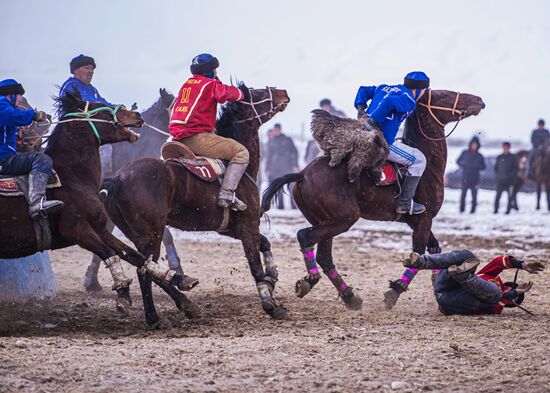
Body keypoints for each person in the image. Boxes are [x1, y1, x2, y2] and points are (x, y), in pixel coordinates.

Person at [169, 53, 247, 210]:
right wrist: (242, 93)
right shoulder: (210, 84)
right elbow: (226, 94)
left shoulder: (187, 84)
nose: (216, 72)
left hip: (176, 138)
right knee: (241, 152)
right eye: (215, 69)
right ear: (209, 71)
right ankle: (226, 194)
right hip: (196, 138)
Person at [354, 71, 429, 215]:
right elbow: (389, 102)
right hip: (382, 143)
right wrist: (373, 120)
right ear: (418, 89)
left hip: (361, 135)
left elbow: (363, 89)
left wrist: (361, 107)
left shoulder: (384, 87)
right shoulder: (409, 99)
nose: (423, 95)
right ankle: (405, 203)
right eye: (424, 91)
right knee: (419, 159)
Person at [402, 249, 544, 315]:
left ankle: (461, 275)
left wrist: (511, 295)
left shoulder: (497, 307)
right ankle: (423, 262)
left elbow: (497, 302)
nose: (512, 293)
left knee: (494, 294)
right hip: (446, 285)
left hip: (449, 301)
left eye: (514, 296)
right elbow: (499, 262)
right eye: (513, 291)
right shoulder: (491, 276)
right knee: (469, 257)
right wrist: (522, 265)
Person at [0, 79, 64, 219]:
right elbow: (12, 115)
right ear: (10, 94)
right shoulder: (1, 103)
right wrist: (34, 115)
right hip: (3, 160)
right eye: (19, 95)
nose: (21, 99)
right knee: (42, 159)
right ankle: (36, 203)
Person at [60, 54, 114, 175]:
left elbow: (103, 102)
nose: (91, 71)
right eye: (87, 67)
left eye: (92, 68)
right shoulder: (70, 85)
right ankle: (99, 182)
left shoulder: (92, 89)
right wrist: (109, 107)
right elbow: (88, 103)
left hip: (89, 130)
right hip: (73, 132)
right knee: (105, 149)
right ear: (75, 70)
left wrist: (117, 108)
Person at [265, 123, 299, 209]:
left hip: (288, 167)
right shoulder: (271, 141)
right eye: (275, 130)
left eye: (278, 129)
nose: (276, 131)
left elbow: (294, 152)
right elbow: (269, 156)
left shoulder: (287, 140)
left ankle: (294, 206)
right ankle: (280, 207)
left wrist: (295, 165)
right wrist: (267, 169)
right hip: (275, 169)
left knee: (291, 188)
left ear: (280, 129)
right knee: (278, 188)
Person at [457, 136, 485, 213]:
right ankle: (462, 210)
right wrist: (464, 164)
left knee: (474, 196)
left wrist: (477, 166)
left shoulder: (480, 156)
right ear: (470, 144)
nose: (474, 146)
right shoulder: (464, 153)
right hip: (465, 178)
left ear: (478, 145)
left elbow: (483, 167)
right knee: (463, 195)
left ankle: (473, 211)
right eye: (473, 144)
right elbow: (458, 161)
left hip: (475, 179)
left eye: (475, 145)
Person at [494, 142, 519, 214]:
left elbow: (516, 169)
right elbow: (496, 168)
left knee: (510, 197)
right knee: (498, 196)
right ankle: (496, 210)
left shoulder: (513, 157)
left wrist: (510, 176)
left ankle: (508, 210)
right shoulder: (499, 157)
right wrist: (498, 176)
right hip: (500, 180)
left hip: (509, 181)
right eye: (504, 147)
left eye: (506, 147)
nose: (505, 148)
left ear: (509, 148)